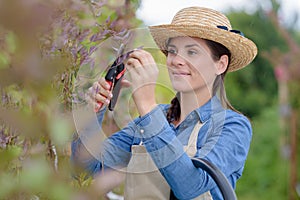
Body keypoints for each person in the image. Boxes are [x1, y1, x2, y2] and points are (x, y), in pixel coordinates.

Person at [71, 6, 258, 200]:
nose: (176, 60)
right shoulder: (148, 122)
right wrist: (93, 113)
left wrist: (147, 106)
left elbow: (191, 186)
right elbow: (87, 167)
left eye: (192, 52)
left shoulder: (233, 127)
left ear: (221, 64)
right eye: (172, 51)